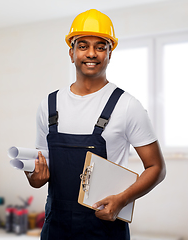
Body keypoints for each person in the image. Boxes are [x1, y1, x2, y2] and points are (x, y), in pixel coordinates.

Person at [24, 9, 166, 239]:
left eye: (100, 46)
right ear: (71, 53)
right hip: (56, 228)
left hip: (105, 227)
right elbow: (41, 171)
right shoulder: (49, 105)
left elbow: (156, 168)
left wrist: (122, 199)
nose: (91, 53)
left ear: (110, 53)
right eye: (83, 46)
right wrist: (35, 178)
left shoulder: (127, 105)